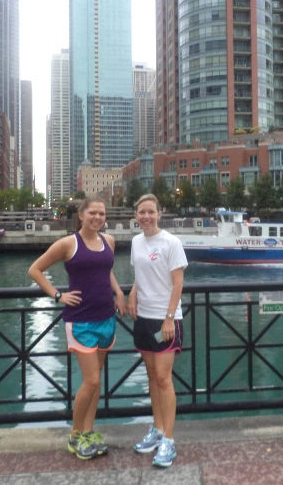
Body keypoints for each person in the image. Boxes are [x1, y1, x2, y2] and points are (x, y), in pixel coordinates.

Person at [28, 196, 125, 461]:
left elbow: (107, 271)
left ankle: (89, 431)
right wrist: (57, 295)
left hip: (107, 316)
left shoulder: (109, 241)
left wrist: (119, 293)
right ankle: (75, 435)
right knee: (91, 380)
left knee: (97, 382)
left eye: (102, 214)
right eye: (93, 212)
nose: (97, 217)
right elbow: (35, 270)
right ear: (81, 214)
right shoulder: (68, 243)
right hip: (80, 319)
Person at [126, 194, 188, 468]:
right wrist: (131, 294)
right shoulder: (136, 242)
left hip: (165, 319)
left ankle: (170, 441)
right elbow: (140, 275)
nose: (146, 216)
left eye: (151, 211)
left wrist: (169, 318)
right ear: (136, 215)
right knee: (152, 377)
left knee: (164, 379)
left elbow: (178, 284)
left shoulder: (171, 243)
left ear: (159, 213)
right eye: (142, 212)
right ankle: (158, 429)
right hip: (143, 317)